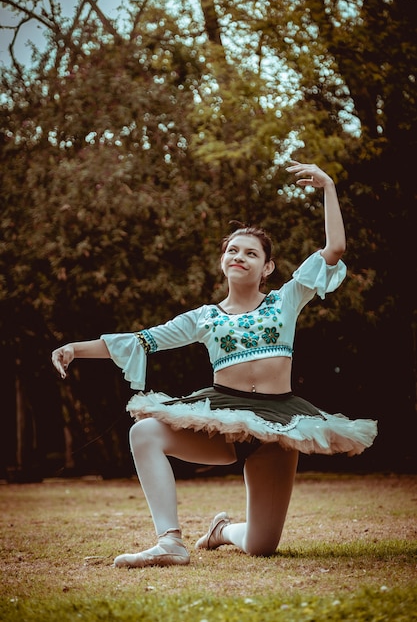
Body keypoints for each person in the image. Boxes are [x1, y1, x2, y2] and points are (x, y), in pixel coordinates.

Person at [52, 160, 377, 568]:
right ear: (223, 261)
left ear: (267, 267)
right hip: (222, 420)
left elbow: (335, 250)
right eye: (232, 251)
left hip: (279, 425)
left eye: (251, 253)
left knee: (262, 546)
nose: (239, 256)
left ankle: (222, 531)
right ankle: (169, 542)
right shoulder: (204, 317)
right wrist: (75, 349)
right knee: (145, 432)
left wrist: (328, 186)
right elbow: (141, 340)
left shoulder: (286, 300)